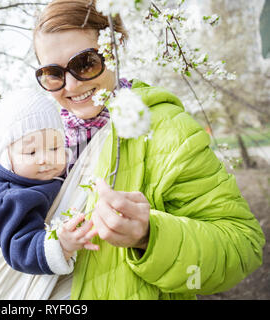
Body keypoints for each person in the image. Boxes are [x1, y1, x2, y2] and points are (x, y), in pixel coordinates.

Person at [28, 0, 265, 299]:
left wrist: (150, 235)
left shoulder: (170, 131)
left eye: (86, 62)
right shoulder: (34, 142)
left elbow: (243, 245)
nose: (72, 85)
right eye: (53, 73)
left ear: (116, 47)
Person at [0, 89, 99, 298]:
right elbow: (19, 248)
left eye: (54, 147)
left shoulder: (46, 175)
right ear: (7, 158)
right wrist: (61, 246)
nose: (45, 159)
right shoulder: (10, 200)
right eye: (31, 152)